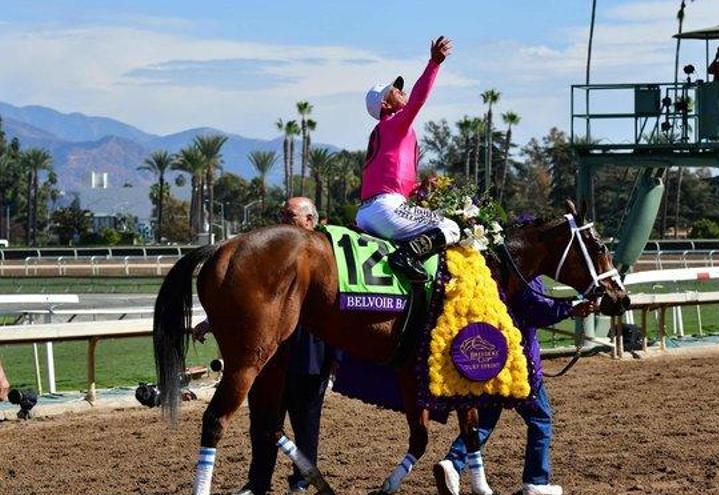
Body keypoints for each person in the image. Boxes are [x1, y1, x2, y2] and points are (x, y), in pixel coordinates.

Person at [433, 278, 595, 495]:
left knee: (484, 422)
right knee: (540, 418)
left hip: (490, 362)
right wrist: (573, 308)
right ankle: (536, 481)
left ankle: (453, 463)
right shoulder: (526, 275)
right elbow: (536, 309)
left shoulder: (490, 272)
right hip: (520, 367)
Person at [230, 197, 342, 495]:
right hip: (268, 359)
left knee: (306, 429)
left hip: (310, 358)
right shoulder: (268, 255)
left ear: (310, 221)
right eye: (282, 214)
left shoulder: (326, 255)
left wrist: (337, 355)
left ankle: (301, 483)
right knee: (262, 425)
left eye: (290, 215)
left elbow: (339, 307)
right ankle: (258, 484)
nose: (283, 219)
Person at [356, 35, 460, 282]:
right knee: (451, 227)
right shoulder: (393, 124)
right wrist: (434, 63)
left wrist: (419, 187)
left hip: (368, 212)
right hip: (386, 209)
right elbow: (418, 100)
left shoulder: (387, 132)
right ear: (385, 104)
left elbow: (391, 181)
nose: (401, 91)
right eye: (395, 90)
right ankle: (405, 258)